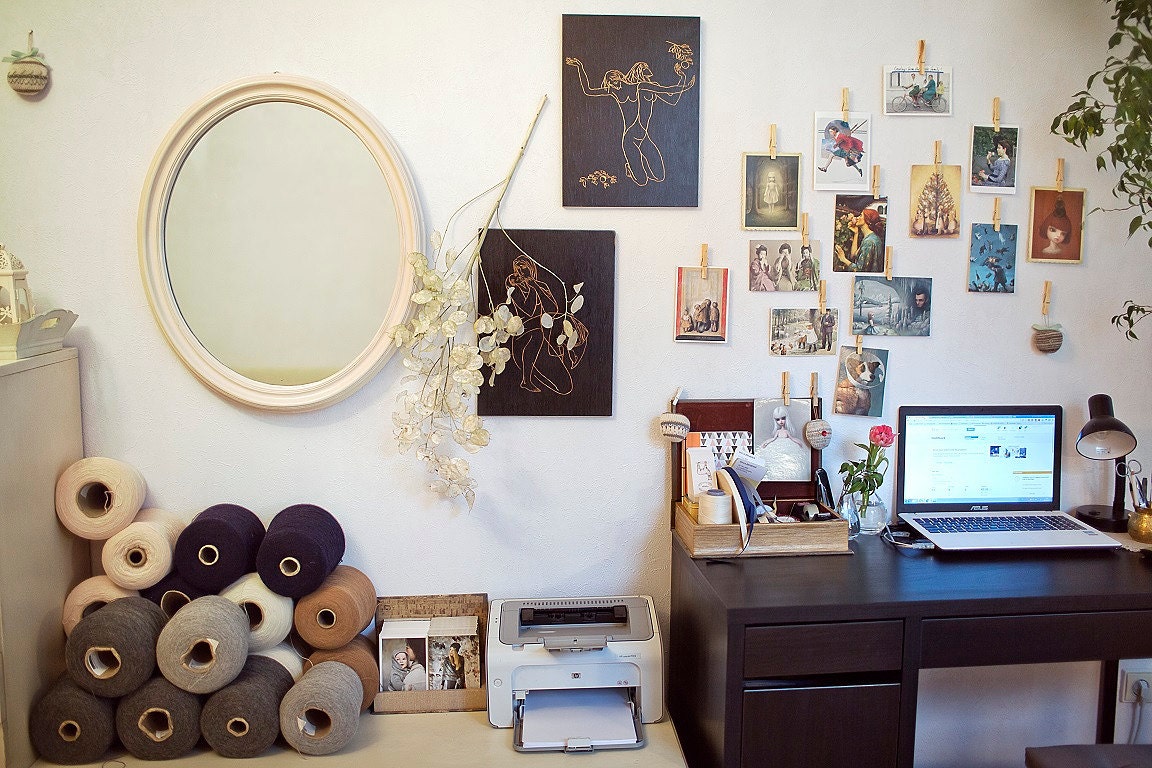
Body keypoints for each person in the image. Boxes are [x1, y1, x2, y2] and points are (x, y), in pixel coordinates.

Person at [565, 55, 696, 187]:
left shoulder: (639, 86)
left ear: (620, 78)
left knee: (660, 177)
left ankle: (638, 167)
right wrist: (580, 67)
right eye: (610, 84)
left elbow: (666, 90)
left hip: (644, 136)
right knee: (641, 181)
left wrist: (686, 86)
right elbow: (588, 91)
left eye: (614, 82)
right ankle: (631, 169)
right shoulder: (614, 92)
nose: (613, 86)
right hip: (629, 138)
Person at [758, 406, 809, 481]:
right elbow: (773, 439)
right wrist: (766, 443)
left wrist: (799, 443)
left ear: (786, 418)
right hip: (777, 446)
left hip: (788, 446)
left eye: (783, 418)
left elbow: (791, 438)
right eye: (778, 419)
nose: (781, 421)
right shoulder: (778, 431)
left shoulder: (786, 431)